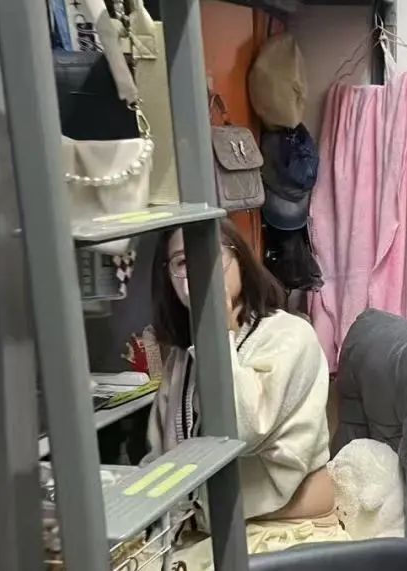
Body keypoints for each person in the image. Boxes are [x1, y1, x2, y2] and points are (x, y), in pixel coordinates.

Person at [147, 220, 347, 565]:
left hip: (281, 534)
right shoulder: (182, 357)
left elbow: (239, 431)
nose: (198, 272)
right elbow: (162, 456)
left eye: (210, 255)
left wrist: (216, 331)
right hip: (205, 533)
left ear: (240, 259)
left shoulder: (291, 335)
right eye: (182, 262)